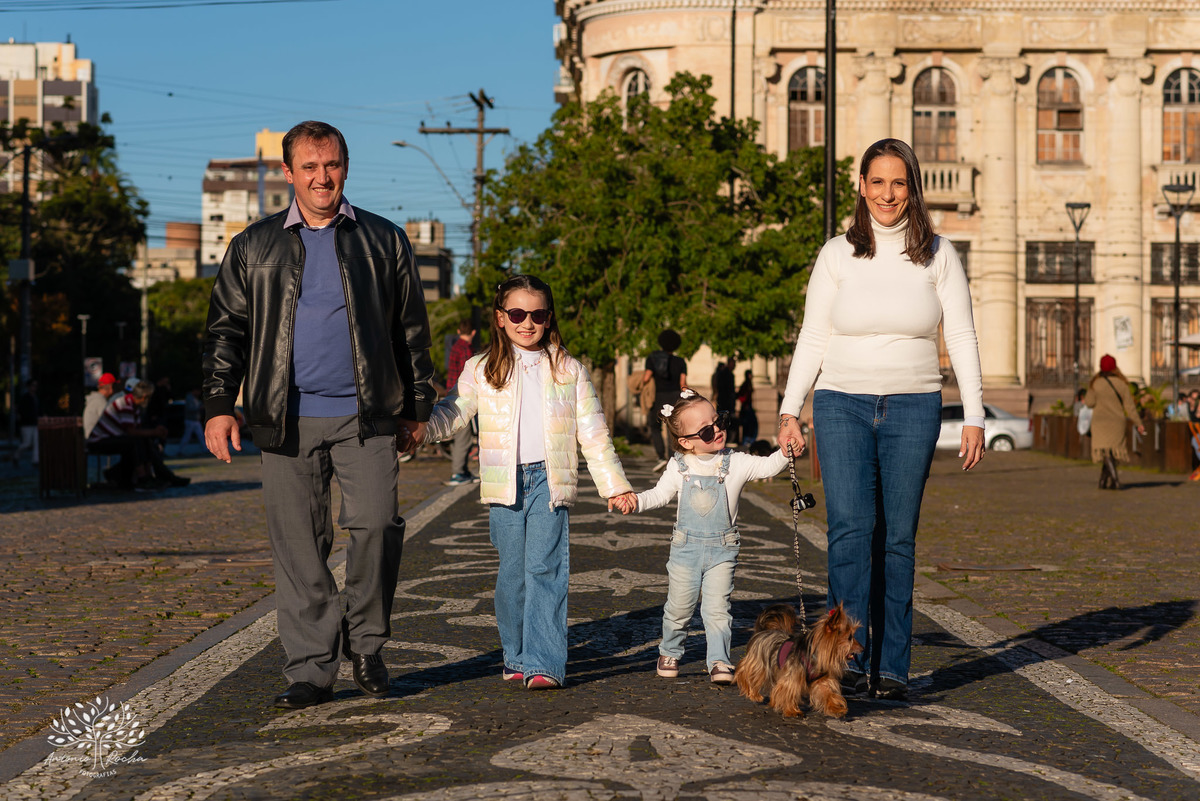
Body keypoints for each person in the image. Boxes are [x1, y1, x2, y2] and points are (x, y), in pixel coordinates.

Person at [203, 120, 436, 710]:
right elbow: (225, 332)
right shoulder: (253, 246)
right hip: (285, 419)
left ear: (345, 167)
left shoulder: (384, 240)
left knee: (378, 525)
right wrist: (216, 406)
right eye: (308, 167)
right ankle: (310, 669)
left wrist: (418, 407)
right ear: (288, 174)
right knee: (299, 546)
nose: (321, 177)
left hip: (368, 415)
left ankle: (368, 643)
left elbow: (411, 330)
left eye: (330, 165)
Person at [777, 138, 985, 701]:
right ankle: (844, 660)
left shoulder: (938, 254)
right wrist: (790, 410)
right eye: (877, 182)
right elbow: (813, 336)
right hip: (841, 403)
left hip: (914, 405)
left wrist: (973, 414)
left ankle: (891, 666)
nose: (888, 194)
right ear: (860, 186)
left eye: (899, 183)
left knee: (896, 539)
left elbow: (961, 334)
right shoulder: (836, 254)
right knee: (848, 533)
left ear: (912, 188)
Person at [420, 275, 635, 690]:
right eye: (517, 314)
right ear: (501, 318)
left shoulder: (569, 369)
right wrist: (417, 431)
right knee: (512, 574)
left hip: (549, 481)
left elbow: (593, 431)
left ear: (549, 318)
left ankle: (544, 663)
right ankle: (515, 655)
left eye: (537, 315)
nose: (527, 323)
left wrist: (615, 485)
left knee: (545, 568)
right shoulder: (482, 367)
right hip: (504, 483)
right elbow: (454, 411)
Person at [614, 389, 787, 684]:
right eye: (706, 431)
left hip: (723, 549)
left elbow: (767, 465)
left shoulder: (737, 462)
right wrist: (635, 501)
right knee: (679, 607)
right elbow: (660, 494)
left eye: (719, 421)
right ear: (685, 442)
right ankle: (670, 651)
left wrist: (786, 451)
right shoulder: (679, 467)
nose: (717, 430)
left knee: (718, 609)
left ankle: (719, 659)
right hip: (686, 550)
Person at [88, 380, 190, 489]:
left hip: (111, 438)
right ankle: (144, 477)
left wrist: (155, 431)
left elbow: (137, 429)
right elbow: (131, 431)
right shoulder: (125, 404)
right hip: (99, 440)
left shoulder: (132, 405)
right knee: (135, 441)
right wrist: (154, 432)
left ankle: (150, 475)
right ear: (144, 397)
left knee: (144, 441)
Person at [1084, 354, 1145, 490]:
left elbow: (1089, 403)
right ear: (1114, 367)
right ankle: (1103, 482)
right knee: (1111, 452)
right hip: (1117, 422)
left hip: (1100, 423)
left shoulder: (1096, 383)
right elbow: (1130, 407)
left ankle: (1115, 480)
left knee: (1106, 452)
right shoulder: (1121, 384)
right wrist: (1138, 423)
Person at [640, 330, 687, 471]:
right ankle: (673, 458)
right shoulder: (680, 362)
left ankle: (660, 456)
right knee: (672, 429)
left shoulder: (652, 359)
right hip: (674, 397)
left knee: (655, 426)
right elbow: (683, 384)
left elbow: (646, 378)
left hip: (658, 397)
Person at [444, 320, 479, 486]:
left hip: (453, 394)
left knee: (462, 435)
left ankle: (463, 471)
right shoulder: (466, 349)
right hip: (464, 398)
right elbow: (470, 375)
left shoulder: (456, 346)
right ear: (473, 332)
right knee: (463, 438)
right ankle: (458, 473)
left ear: (458, 330)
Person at [711, 356, 738, 444]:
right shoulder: (727, 374)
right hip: (725, 402)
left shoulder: (724, 373)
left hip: (724, 401)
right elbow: (726, 390)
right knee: (725, 421)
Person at [83, 373, 119, 439]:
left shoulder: (96, 400)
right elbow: (108, 422)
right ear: (111, 387)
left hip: (92, 439)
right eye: (115, 386)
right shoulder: (100, 402)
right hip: (96, 441)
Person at [12, 379, 39, 467]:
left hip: (35, 423)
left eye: (35, 386)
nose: (34, 388)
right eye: (33, 385)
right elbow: (21, 411)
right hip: (26, 424)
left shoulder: (35, 397)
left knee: (36, 442)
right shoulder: (25, 398)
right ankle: (16, 455)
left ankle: (35, 460)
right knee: (27, 443)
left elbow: (38, 410)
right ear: (29, 387)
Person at [178, 387, 205, 453]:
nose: (199, 393)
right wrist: (199, 408)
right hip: (190, 420)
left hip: (195, 420)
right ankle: (180, 450)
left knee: (200, 435)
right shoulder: (189, 398)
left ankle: (205, 449)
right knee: (187, 436)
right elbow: (190, 409)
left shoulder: (195, 398)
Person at [737, 369, 758, 447]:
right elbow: (742, 396)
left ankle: (749, 441)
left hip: (748, 407)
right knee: (748, 425)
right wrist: (745, 404)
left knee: (751, 426)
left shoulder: (749, 384)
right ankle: (746, 441)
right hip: (746, 407)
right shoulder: (746, 384)